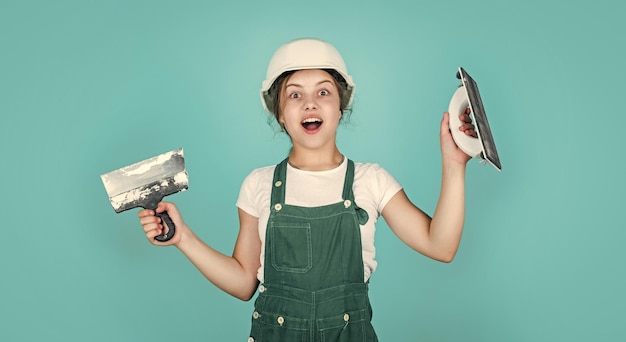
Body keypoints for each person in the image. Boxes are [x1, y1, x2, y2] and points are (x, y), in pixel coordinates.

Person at [138, 38, 476, 341]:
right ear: (281, 114)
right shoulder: (258, 184)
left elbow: (440, 245)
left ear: (340, 107)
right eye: (295, 94)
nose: (310, 103)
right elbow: (244, 283)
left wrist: (454, 164)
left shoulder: (371, 180)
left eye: (323, 92)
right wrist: (184, 238)